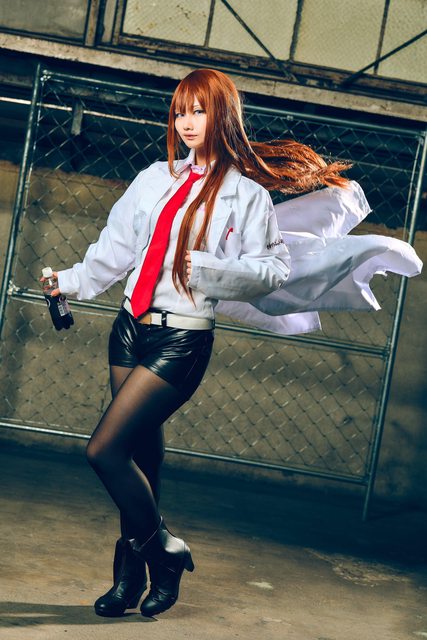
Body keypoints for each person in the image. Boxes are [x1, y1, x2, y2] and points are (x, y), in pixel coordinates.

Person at [42, 68, 421, 619]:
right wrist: (70, 282)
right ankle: (129, 578)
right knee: (142, 455)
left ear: (222, 115)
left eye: (198, 110)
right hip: (129, 328)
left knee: (105, 450)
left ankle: (163, 552)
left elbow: (273, 269)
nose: (186, 122)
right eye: (180, 111)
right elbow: (115, 249)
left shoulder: (246, 196)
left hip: (181, 338)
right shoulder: (154, 178)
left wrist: (208, 270)